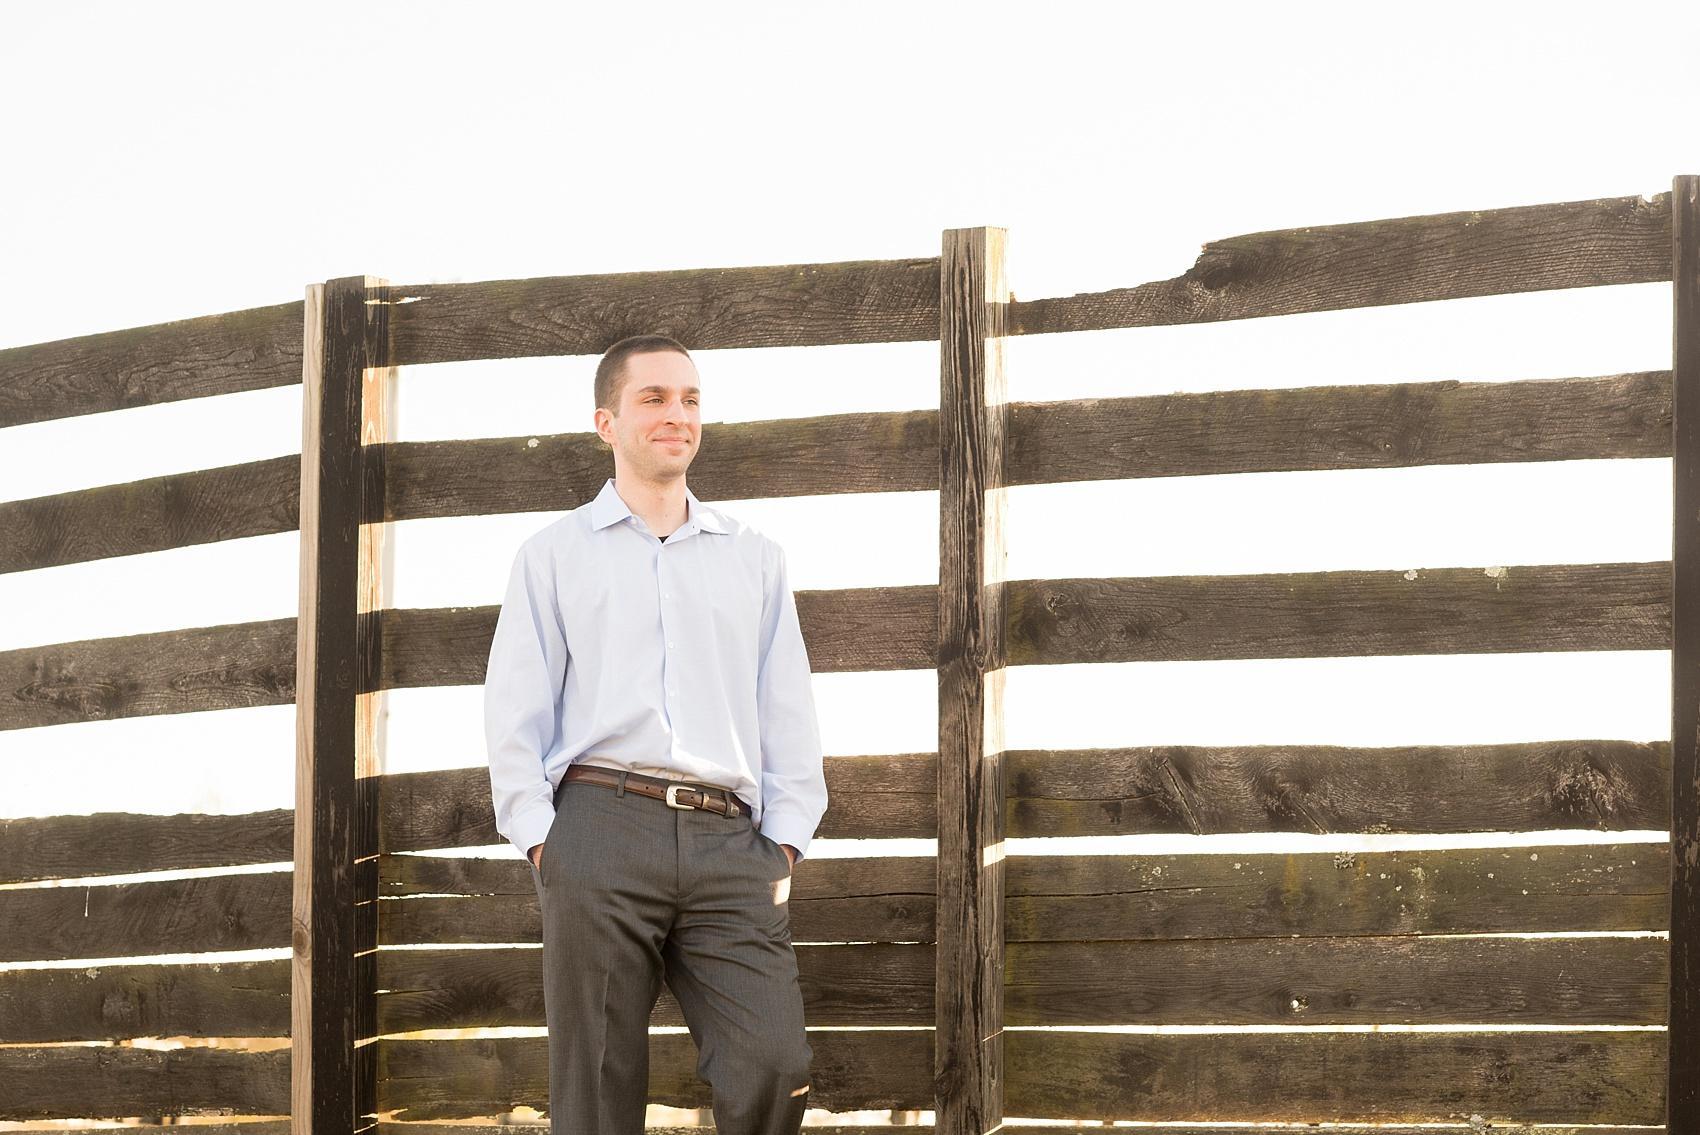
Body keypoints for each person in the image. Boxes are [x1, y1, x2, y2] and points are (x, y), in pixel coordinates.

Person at [483, 333, 828, 1135]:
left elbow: (787, 708)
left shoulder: (755, 558)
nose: (678, 414)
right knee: (597, 1090)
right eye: (654, 398)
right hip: (599, 829)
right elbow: (516, 711)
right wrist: (547, 844)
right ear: (606, 421)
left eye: (691, 398)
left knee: (773, 1064)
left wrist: (782, 845)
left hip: (730, 846)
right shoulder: (553, 556)